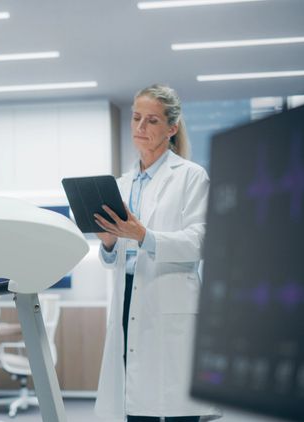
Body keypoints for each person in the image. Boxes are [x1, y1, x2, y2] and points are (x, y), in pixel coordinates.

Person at [93, 84, 220, 421]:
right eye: (136, 118)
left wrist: (144, 236)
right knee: (135, 404)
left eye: (151, 121)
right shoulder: (120, 184)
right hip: (128, 303)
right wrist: (108, 242)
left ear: (172, 128)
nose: (140, 128)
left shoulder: (191, 177)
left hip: (169, 303)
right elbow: (115, 257)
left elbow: (201, 241)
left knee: (174, 406)